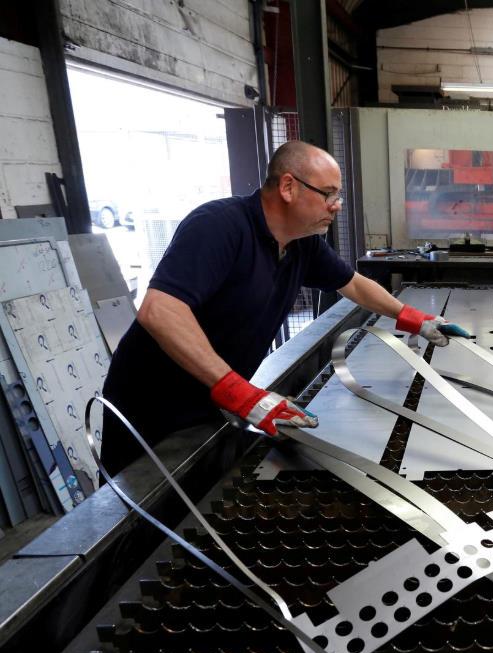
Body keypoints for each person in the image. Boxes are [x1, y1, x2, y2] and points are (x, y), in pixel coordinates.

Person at [99, 140, 458, 476]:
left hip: (211, 401)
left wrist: (413, 318)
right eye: (328, 194)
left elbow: (353, 284)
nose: (336, 205)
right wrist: (238, 391)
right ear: (288, 187)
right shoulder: (219, 226)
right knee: (146, 510)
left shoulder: (302, 244)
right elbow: (160, 310)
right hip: (151, 409)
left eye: (338, 196)